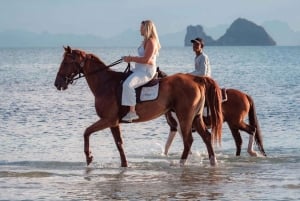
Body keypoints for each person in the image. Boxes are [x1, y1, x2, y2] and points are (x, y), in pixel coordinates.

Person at [122, 20, 161, 122]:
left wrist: (131, 58)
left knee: (128, 85)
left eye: (141, 27)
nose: (140, 29)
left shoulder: (151, 42)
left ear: (146, 28)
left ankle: (132, 112)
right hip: (139, 69)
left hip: (146, 72)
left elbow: (146, 60)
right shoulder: (145, 41)